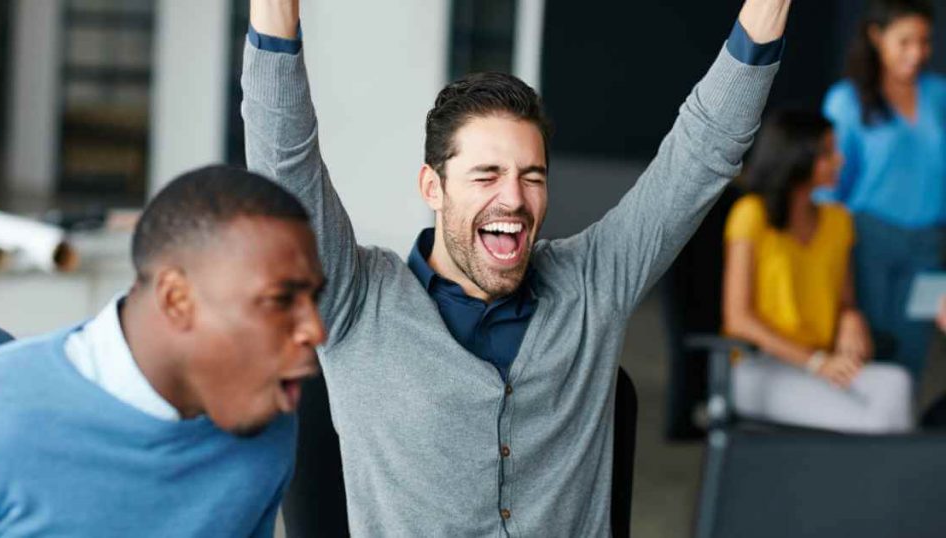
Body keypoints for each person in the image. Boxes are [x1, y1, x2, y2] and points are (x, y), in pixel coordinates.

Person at [244, 0, 790, 534]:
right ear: (433, 187)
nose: (514, 198)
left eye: (532, 175)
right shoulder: (358, 299)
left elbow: (702, 152)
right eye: (486, 175)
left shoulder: (591, 285)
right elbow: (283, 160)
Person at [0, 165, 327, 537]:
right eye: (279, 300)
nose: (315, 330)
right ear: (176, 300)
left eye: (313, 298)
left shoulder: (265, 424)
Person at [723, 110, 913, 433]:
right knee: (876, 421)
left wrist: (851, 317)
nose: (839, 160)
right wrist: (814, 362)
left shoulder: (838, 221)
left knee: (898, 384)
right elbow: (738, 319)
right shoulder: (751, 216)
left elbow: (844, 300)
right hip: (761, 367)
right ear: (797, 158)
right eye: (827, 152)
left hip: (821, 360)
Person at [823, 0, 946, 384]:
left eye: (923, 42)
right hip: (869, 240)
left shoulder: (940, 95)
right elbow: (829, 184)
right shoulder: (847, 100)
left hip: (930, 246)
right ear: (877, 37)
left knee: (913, 350)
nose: (916, 53)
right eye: (904, 41)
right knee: (869, 347)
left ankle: (901, 434)